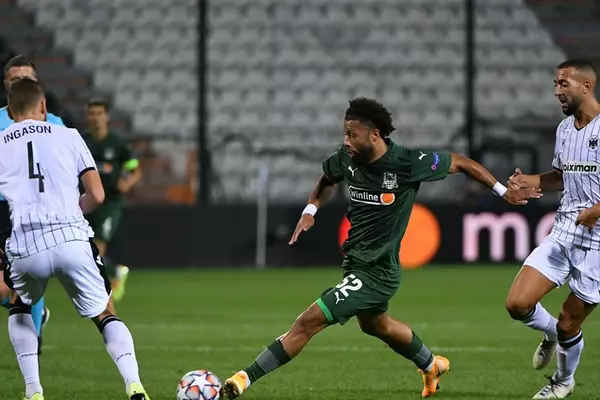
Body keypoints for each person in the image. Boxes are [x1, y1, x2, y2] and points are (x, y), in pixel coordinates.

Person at [220, 97, 542, 399]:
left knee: (309, 320)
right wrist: (310, 210)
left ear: (374, 135)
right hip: (356, 264)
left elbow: (461, 163)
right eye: (344, 134)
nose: (346, 141)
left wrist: (503, 192)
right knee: (377, 326)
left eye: (352, 134)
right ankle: (432, 365)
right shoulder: (347, 158)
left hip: (378, 272)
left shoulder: (407, 163)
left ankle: (242, 380)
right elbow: (327, 179)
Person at [0, 78, 150, 400]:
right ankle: (134, 385)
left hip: (25, 242)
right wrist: (70, 210)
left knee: (19, 303)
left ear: (10, 111)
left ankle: (33, 390)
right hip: (70, 236)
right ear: (43, 106)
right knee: (105, 312)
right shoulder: (68, 135)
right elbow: (97, 194)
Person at [506, 59, 600, 399]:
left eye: (564, 84)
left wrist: (597, 210)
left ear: (586, 86)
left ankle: (563, 381)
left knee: (569, 321)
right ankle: (551, 335)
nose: (557, 91)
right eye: (555, 84)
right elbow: (561, 176)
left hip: (598, 242)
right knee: (517, 304)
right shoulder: (564, 129)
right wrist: (527, 181)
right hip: (564, 231)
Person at [0, 54, 64, 352]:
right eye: (15, 80)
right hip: (2, 208)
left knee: (31, 278)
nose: (20, 84)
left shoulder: (55, 124)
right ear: (6, 85)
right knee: (8, 289)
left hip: (35, 210)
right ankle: (30, 312)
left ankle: (33, 342)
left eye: (27, 79)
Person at [82, 98, 142, 302]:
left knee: (98, 247)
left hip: (110, 202)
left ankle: (100, 292)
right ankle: (114, 271)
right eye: (92, 113)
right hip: (87, 201)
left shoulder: (117, 144)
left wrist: (128, 182)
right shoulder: (81, 141)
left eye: (99, 113)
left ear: (106, 116)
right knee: (85, 249)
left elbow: (134, 168)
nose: (95, 118)